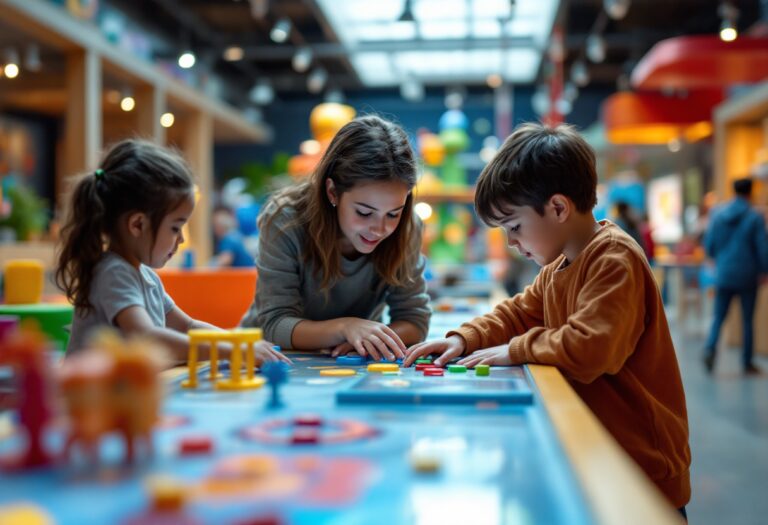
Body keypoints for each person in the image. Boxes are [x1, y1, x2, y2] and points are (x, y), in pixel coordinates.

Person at [404, 123, 691, 515]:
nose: (511, 241)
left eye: (515, 227)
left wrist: (515, 350)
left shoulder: (613, 259)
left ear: (558, 208)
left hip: (641, 470)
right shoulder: (559, 266)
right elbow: (518, 312)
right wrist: (464, 339)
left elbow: (592, 348)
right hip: (599, 454)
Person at [56, 139, 289, 366]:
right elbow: (146, 337)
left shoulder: (146, 276)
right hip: (91, 399)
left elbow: (188, 326)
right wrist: (231, 351)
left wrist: (240, 341)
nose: (181, 238)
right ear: (137, 224)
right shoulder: (113, 272)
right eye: (175, 228)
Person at [241, 116, 431, 362]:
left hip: (349, 360)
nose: (379, 229)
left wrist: (371, 340)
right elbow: (275, 325)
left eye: (393, 213)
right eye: (364, 212)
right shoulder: (284, 219)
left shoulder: (407, 227)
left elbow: (415, 319)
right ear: (332, 192)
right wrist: (345, 328)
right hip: (270, 359)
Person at [703, 177, 768, 375]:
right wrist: (765, 270)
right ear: (750, 192)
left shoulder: (718, 214)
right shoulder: (754, 216)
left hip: (723, 273)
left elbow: (710, 244)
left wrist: (719, 260)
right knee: (748, 320)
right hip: (748, 275)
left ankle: (710, 349)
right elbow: (762, 247)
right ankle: (747, 362)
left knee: (719, 316)